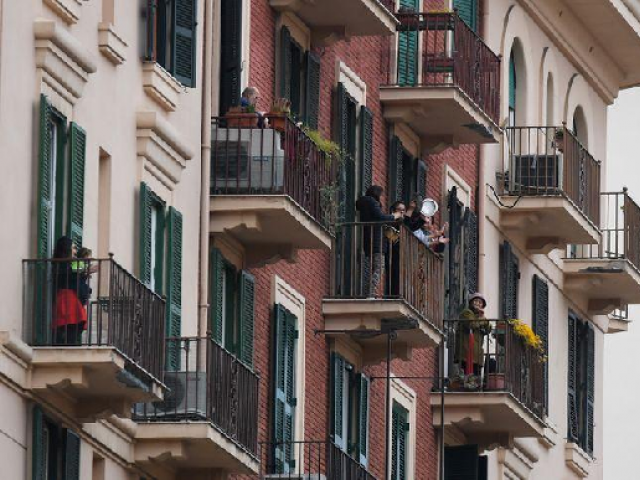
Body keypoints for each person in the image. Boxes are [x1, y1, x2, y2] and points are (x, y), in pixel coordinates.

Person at [356, 186, 402, 297]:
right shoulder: (372, 202)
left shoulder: (365, 204)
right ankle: (370, 293)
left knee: (375, 268)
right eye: (380, 195)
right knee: (379, 267)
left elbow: (376, 219)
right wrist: (394, 216)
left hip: (370, 240)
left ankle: (369, 292)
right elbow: (380, 217)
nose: (381, 197)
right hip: (377, 241)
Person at [52, 236, 88, 345]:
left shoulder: (71, 264)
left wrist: (85, 272)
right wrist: (84, 271)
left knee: (76, 323)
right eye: (73, 248)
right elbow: (69, 274)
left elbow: (76, 274)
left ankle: (69, 344)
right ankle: (67, 345)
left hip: (72, 298)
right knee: (70, 324)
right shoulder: (62, 265)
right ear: (66, 248)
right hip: (67, 298)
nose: (75, 251)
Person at [456, 293, 491, 378]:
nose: (478, 303)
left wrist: (482, 317)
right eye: (476, 301)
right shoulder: (466, 313)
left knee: (476, 379)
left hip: (477, 354)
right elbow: (472, 324)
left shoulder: (480, 317)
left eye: (480, 302)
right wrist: (482, 319)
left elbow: (488, 329)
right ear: (471, 302)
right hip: (466, 352)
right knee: (467, 378)